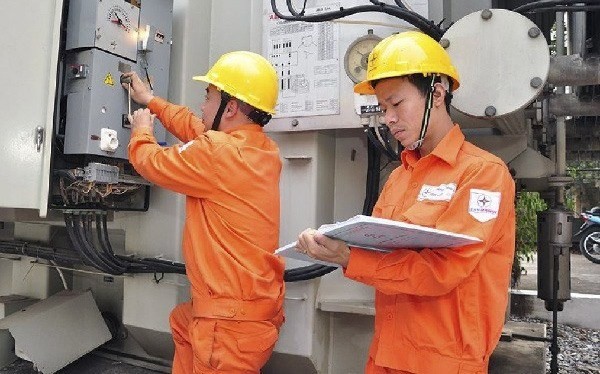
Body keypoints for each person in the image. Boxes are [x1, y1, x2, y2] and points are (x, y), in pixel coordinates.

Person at [296, 31, 516, 374]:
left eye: (397, 104)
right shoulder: (400, 177)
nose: (389, 118)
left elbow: (443, 272)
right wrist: (338, 246)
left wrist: (348, 257)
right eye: (383, 108)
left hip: (443, 363)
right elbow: (382, 258)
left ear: (437, 94)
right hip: (387, 354)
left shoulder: (483, 174)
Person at [123, 51, 285, 373]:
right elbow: (196, 127)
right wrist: (150, 100)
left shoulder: (219, 153)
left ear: (231, 107)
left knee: (191, 328)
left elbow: (151, 163)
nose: (202, 105)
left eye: (207, 96)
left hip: (228, 330)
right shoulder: (259, 149)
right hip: (249, 317)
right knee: (182, 323)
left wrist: (142, 130)